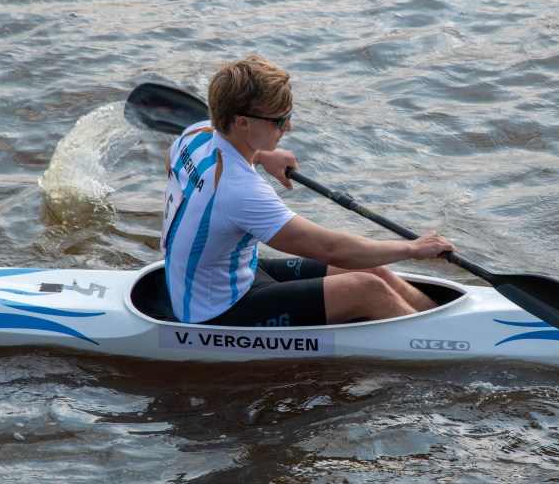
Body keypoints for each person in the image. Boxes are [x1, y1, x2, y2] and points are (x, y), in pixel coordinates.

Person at [161, 55, 455, 327]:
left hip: (229, 274)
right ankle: (443, 343)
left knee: (374, 270)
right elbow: (332, 250)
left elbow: (170, 161)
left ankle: (444, 323)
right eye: (278, 120)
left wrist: (261, 155)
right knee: (368, 289)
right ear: (242, 123)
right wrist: (412, 248)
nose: (288, 127)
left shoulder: (196, 134)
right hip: (213, 311)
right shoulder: (240, 191)